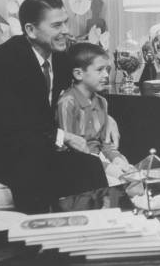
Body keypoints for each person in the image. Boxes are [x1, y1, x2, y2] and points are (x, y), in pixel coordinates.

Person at [0, 0, 120, 213]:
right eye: (57, 25)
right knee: (35, 168)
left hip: (31, 145)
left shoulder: (59, 58)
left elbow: (81, 89)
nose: (66, 31)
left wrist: (106, 116)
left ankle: (99, 228)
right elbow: (11, 125)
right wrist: (63, 136)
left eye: (66, 22)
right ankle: (38, 240)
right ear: (30, 30)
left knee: (89, 164)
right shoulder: (4, 60)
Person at [57, 43, 134, 184]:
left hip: (100, 160)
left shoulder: (102, 102)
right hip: (79, 165)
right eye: (100, 70)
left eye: (107, 69)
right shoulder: (68, 102)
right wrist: (107, 167)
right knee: (121, 184)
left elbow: (105, 144)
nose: (106, 75)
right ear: (78, 73)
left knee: (134, 175)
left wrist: (117, 159)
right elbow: (70, 149)